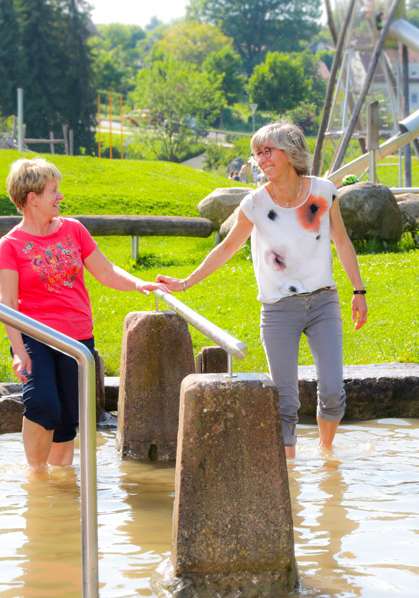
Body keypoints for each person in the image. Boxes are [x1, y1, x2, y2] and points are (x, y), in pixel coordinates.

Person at [157, 122, 368, 458]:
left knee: (331, 391)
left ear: (290, 152)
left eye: (268, 150)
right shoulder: (254, 203)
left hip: (323, 303)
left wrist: (359, 292)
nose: (261, 159)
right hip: (279, 310)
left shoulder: (324, 192)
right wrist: (185, 283)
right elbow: (225, 249)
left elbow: (341, 241)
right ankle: (289, 476)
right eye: (257, 153)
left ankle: (327, 457)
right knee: (285, 400)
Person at [0, 157, 169, 470]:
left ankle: (60, 483)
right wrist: (18, 351)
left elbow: (105, 269)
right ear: (32, 199)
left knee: (67, 418)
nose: (60, 197)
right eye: (53, 191)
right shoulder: (11, 244)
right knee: (42, 403)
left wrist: (138, 284)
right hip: (36, 336)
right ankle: (36, 478)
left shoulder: (73, 230)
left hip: (77, 336)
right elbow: (7, 301)